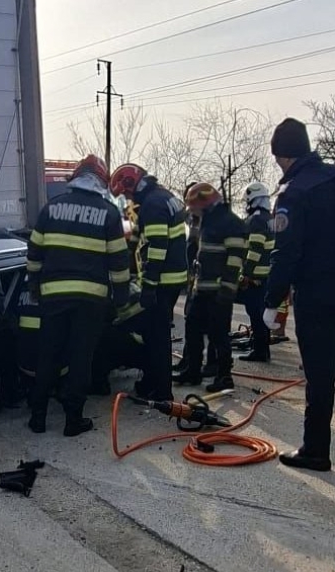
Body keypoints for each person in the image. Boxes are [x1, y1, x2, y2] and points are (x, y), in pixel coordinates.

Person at [263, 118, 335, 472]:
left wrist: (271, 301)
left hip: (316, 295)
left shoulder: (293, 193)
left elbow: (286, 254)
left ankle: (315, 449)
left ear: (282, 155)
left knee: (320, 374)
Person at [25, 155, 130, 437]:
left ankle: (38, 417)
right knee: (80, 358)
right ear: (100, 181)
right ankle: (73, 420)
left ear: (76, 178)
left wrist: (34, 286)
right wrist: (121, 299)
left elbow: (33, 254)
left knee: (48, 355)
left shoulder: (52, 208)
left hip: (53, 298)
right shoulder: (108, 213)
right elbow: (119, 263)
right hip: (90, 301)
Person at [109, 164, 189, 402]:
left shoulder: (153, 205)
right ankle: (154, 384)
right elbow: (138, 236)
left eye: (127, 193)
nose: (128, 198)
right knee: (158, 334)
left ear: (132, 184)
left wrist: (149, 286)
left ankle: (161, 391)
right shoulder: (162, 198)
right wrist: (129, 255)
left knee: (157, 338)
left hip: (162, 282)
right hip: (173, 279)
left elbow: (157, 247)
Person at [172, 183, 246, 392]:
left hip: (218, 292)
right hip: (202, 290)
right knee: (193, 330)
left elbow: (235, 259)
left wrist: (227, 290)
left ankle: (224, 376)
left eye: (193, 206)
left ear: (205, 203)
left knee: (219, 335)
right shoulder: (207, 222)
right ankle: (192, 371)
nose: (192, 211)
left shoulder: (230, 223)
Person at [238, 182, 276, 363]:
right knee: (261, 313)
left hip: (256, 277)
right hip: (267, 274)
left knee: (256, 314)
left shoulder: (256, 220)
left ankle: (259, 351)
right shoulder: (270, 218)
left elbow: (254, 248)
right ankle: (263, 349)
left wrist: (246, 273)